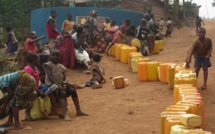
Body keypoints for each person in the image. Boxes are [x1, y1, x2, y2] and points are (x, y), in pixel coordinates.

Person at [43, 50, 88, 120]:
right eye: (53, 55)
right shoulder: (48, 65)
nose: (55, 57)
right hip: (52, 85)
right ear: (50, 56)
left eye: (57, 55)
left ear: (60, 57)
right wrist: (59, 85)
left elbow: (64, 77)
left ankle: (78, 110)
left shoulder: (60, 66)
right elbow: (50, 77)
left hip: (61, 84)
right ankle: (65, 113)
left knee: (73, 90)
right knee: (62, 93)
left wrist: (65, 83)